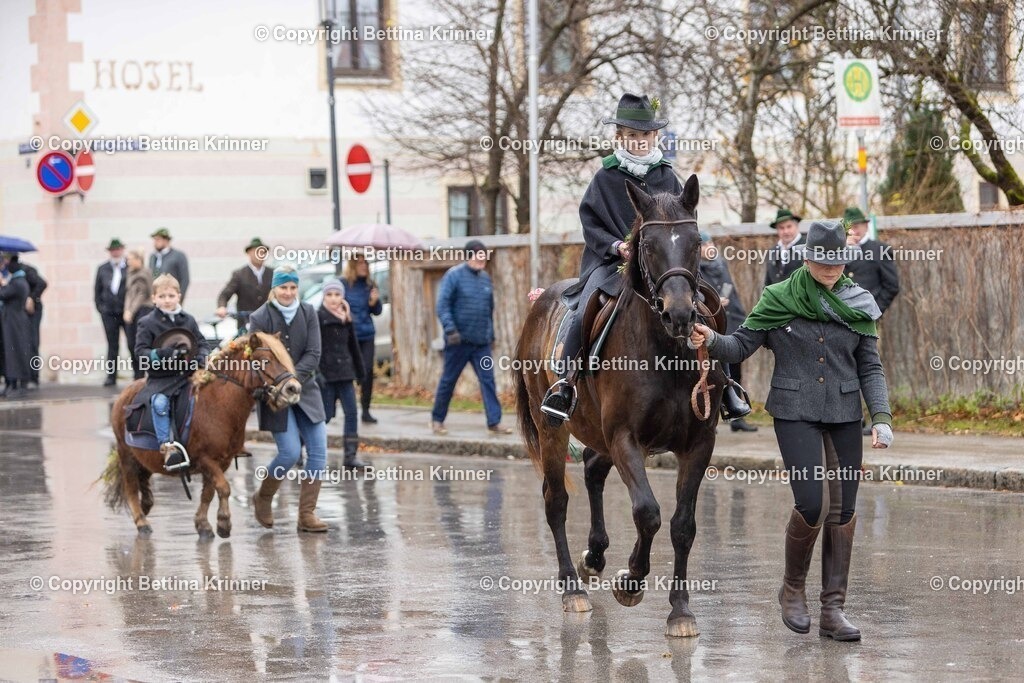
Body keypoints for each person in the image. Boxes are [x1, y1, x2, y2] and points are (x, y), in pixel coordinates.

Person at [690, 220, 894, 642]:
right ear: (807, 257)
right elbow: (740, 347)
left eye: (838, 263)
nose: (831, 270)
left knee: (845, 510)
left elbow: (870, 367)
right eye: (823, 263)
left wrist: (882, 418)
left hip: (843, 411)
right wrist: (710, 337)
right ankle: (792, 588)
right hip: (794, 410)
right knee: (813, 502)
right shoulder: (779, 298)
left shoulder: (859, 301)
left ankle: (833, 610)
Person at [540, 92, 748, 422]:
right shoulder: (605, 176)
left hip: (663, 264)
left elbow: (683, 220)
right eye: (632, 136)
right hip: (612, 263)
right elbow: (589, 222)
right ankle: (565, 384)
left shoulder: (666, 174)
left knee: (706, 302)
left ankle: (727, 384)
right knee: (585, 306)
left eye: (645, 135)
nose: (639, 142)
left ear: (655, 136)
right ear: (620, 137)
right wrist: (615, 246)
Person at [249, 265, 330, 533]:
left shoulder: (308, 312)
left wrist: (292, 380)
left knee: (318, 453)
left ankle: (306, 515)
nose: (288, 292)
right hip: (274, 395)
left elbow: (315, 352)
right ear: (274, 289)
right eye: (283, 287)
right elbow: (259, 359)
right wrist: (281, 384)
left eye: (293, 287)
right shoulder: (260, 317)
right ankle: (263, 497)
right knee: (290, 453)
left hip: (306, 389)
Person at [431, 240, 513, 436]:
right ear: (468, 256)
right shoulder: (454, 276)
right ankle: (437, 420)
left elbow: (488, 310)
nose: (482, 259)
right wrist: (451, 330)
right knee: (448, 381)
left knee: (488, 381)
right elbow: (442, 305)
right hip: (457, 341)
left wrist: (490, 335)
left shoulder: (485, 279)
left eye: (484, 256)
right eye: (478, 255)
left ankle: (494, 422)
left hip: (481, 344)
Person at [134, 274, 210, 471]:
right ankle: (167, 447)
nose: (167, 300)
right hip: (161, 378)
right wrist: (160, 354)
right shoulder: (147, 322)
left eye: (171, 296)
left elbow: (202, 343)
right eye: (162, 296)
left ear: (179, 296)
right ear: (154, 298)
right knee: (159, 403)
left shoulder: (189, 320)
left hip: (187, 376)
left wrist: (202, 356)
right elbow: (140, 352)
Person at [698, 231, 757, 433]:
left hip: (731, 320)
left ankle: (736, 412)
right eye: (704, 245)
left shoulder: (720, 264)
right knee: (710, 374)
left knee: (735, 370)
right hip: (708, 324)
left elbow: (728, 287)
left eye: (710, 243)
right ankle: (710, 417)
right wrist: (711, 300)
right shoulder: (692, 268)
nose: (709, 248)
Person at [317, 278, 369, 470]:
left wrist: (361, 372)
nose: (333, 299)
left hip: (346, 373)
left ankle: (350, 456)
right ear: (324, 296)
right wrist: (317, 373)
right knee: (325, 415)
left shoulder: (346, 317)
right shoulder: (318, 317)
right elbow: (315, 348)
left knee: (352, 413)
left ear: (342, 296)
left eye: (337, 294)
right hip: (327, 375)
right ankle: (301, 448)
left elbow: (353, 346)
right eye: (329, 295)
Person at [344, 254, 382, 424]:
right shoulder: (343, 284)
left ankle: (366, 409)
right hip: (349, 336)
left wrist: (374, 302)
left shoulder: (370, 285)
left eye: (365, 263)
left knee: (366, 372)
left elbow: (377, 311)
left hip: (366, 334)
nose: (364, 266)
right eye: (359, 263)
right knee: (348, 372)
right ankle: (348, 408)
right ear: (352, 265)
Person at [842, 207, 900, 316]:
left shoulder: (880, 249)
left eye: (855, 227)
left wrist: (874, 311)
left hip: (868, 317)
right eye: (848, 228)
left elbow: (892, 286)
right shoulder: (838, 251)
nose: (852, 231)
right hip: (842, 317)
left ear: (866, 226)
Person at [216, 237, 274, 330]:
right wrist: (222, 307)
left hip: (268, 322)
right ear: (249, 253)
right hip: (246, 323)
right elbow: (225, 294)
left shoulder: (273, 273)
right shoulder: (239, 274)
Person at [95, 238, 129, 387]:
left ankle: (138, 374)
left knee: (132, 343)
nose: (115, 252)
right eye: (112, 250)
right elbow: (97, 291)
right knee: (112, 345)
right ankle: (111, 376)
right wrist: (101, 308)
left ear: (122, 250)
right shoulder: (103, 268)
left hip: (126, 312)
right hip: (109, 313)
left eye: (117, 250)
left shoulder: (129, 267)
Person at [0, 253, 33, 399]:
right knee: (10, 354)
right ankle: (11, 384)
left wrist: (1, 282)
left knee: (17, 353)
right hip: (11, 322)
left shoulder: (18, 282)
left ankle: (20, 385)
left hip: (15, 322)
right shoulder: (16, 281)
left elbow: (4, 294)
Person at [123, 249, 154, 381]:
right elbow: (129, 294)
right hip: (132, 311)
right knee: (131, 344)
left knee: (139, 343)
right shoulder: (131, 272)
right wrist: (127, 309)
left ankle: (141, 374)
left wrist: (130, 311)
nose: (128, 261)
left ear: (138, 259)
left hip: (142, 311)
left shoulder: (143, 274)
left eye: (130, 259)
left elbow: (141, 294)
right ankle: (137, 373)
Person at [18, 257, 47, 389]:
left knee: (32, 342)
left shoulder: (26, 270)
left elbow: (42, 283)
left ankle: (33, 377)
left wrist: (32, 297)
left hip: (32, 311)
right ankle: (23, 376)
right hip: (19, 311)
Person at [765, 208, 805, 286]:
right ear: (777, 230)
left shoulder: (807, 248)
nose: (785, 231)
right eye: (781, 228)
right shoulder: (772, 252)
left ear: (796, 226)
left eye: (789, 226)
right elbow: (767, 283)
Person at [149, 228, 190, 302]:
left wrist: (179, 298)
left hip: (171, 298)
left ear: (166, 240)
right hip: (157, 298)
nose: (155, 242)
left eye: (158, 240)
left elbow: (185, 279)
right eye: (154, 240)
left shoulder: (178, 256)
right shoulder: (153, 256)